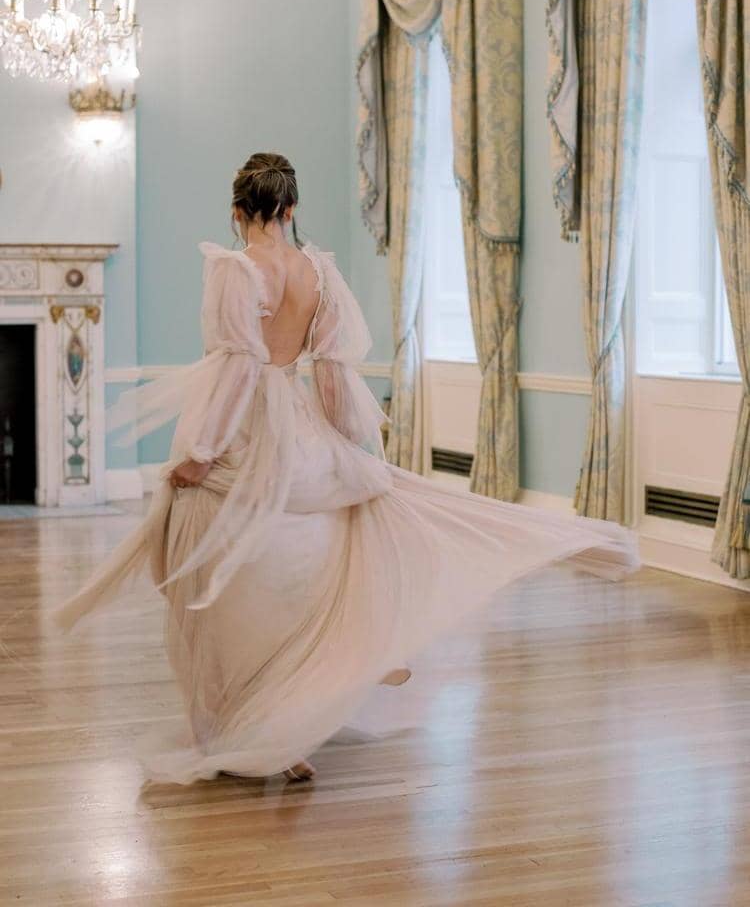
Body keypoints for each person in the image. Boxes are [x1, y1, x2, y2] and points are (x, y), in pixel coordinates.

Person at [56, 152, 639, 785]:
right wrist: (343, 447)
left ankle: (231, 734)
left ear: (237, 210)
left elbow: (235, 367)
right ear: (291, 208)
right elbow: (331, 372)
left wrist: (199, 454)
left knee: (204, 590)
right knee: (290, 586)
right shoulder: (319, 272)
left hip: (246, 428)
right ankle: (287, 728)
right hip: (299, 421)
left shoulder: (233, 268)